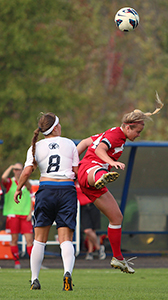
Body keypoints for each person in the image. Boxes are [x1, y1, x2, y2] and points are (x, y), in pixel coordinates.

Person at [77, 95, 163, 274]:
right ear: (128, 127)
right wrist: (111, 163)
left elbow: (86, 142)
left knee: (117, 218)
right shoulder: (116, 134)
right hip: (90, 170)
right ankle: (101, 177)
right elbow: (100, 149)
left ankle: (118, 258)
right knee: (98, 170)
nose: (138, 135)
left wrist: (72, 163)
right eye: (137, 132)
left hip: (89, 178)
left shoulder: (114, 134)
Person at [14, 113, 79, 291]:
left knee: (39, 240)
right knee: (66, 239)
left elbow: (26, 172)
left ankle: (35, 279)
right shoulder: (69, 143)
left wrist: (19, 188)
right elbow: (76, 172)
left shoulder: (36, 146)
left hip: (46, 191)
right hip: (67, 191)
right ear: (56, 127)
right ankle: (67, 273)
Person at [1, 163, 33, 269]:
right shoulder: (10, 182)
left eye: (20, 169)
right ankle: (16, 262)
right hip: (13, 214)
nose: (18, 171)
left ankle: (33, 262)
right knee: (14, 239)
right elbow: (3, 178)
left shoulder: (28, 184)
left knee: (30, 240)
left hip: (25, 215)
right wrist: (10, 167)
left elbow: (31, 200)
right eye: (16, 169)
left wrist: (30, 213)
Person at [75, 181, 106, 260]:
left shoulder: (87, 180)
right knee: (87, 230)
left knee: (92, 230)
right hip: (83, 208)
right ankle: (99, 248)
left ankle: (90, 252)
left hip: (93, 205)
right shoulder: (72, 182)